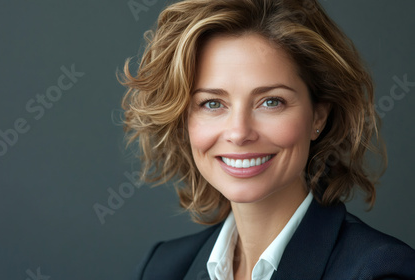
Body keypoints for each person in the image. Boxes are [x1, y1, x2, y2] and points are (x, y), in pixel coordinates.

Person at [119, 0, 415, 279]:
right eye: (212, 103)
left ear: (318, 117)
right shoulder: (163, 268)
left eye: (271, 102)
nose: (239, 133)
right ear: (183, 119)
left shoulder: (377, 270)